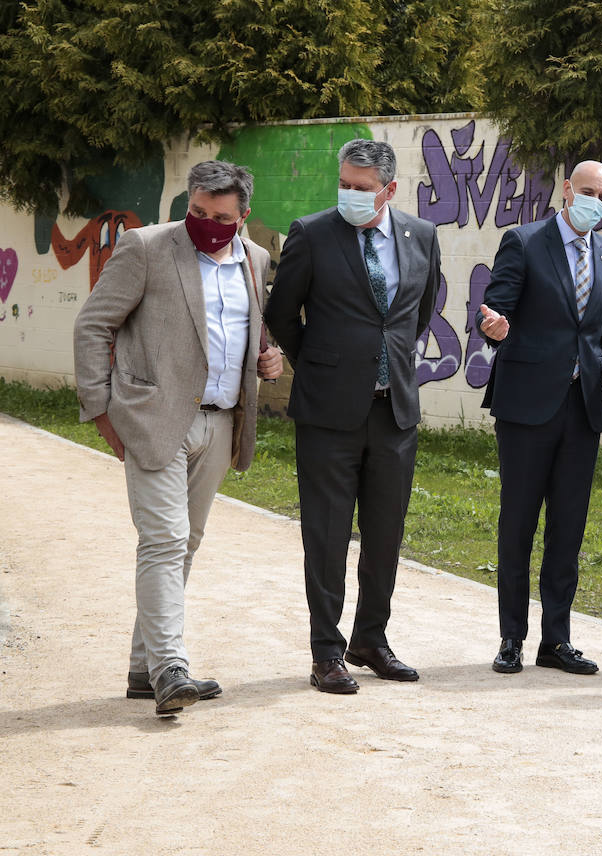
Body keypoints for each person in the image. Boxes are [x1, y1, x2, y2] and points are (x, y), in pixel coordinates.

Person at [73, 160, 284, 716]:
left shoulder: (256, 260)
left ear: (243, 217)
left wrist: (268, 358)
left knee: (184, 543)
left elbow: (246, 330)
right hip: (152, 418)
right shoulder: (146, 247)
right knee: (163, 541)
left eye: (219, 216)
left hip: (221, 421)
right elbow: (94, 325)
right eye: (196, 211)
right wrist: (100, 410)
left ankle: (145, 669)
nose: (205, 223)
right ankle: (171, 666)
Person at [265, 139, 442, 694]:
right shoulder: (312, 233)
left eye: (362, 189)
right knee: (326, 533)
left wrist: (385, 364)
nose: (350, 195)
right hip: (327, 413)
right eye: (344, 184)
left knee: (385, 534)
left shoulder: (423, 235)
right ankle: (326, 653)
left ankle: (370, 639)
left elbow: (419, 310)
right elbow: (281, 312)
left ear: (388, 190)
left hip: (393, 412)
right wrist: (319, 366)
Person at [477, 160, 602, 676]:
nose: (595, 203)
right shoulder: (524, 241)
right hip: (526, 406)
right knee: (518, 524)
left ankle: (556, 641)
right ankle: (511, 638)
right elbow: (496, 308)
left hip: (581, 411)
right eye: (587, 192)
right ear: (565, 190)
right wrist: (492, 326)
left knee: (568, 530)